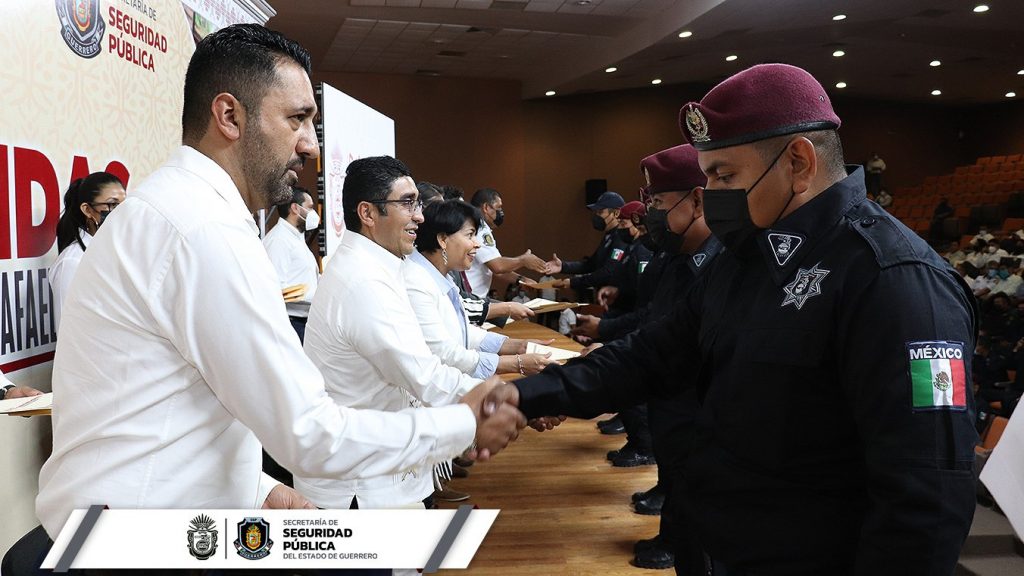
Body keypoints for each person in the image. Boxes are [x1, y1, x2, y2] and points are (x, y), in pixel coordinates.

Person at [34, 24, 523, 550]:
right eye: (297, 119)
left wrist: (257, 488)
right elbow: (310, 432)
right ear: (229, 116)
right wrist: (464, 423)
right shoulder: (203, 230)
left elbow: (171, 407)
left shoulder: (176, 210)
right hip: (134, 543)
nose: (310, 144)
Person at [504, 63, 978, 575]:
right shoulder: (746, 256)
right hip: (722, 544)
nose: (711, 195)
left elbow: (926, 497)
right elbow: (654, 352)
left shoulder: (896, 281)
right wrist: (522, 397)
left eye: (725, 175)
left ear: (798, 162)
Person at [296, 157, 523, 514]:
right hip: (362, 485)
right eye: (407, 203)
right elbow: (425, 376)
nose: (420, 216)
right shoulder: (364, 282)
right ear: (368, 213)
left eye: (417, 203)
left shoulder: (379, 267)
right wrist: (509, 400)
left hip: (380, 466)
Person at [404, 199, 555, 379]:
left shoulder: (443, 277)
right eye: (470, 235)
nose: (477, 244)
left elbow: (464, 332)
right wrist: (516, 363)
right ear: (443, 239)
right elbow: (443, 352)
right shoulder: (416, 281)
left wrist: (519, 346)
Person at [49, 171, 126, 330]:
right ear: (87, 210)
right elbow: (67, 330)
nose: (122, 211)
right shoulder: (72, 262)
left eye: (124, 204)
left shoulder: (115, 253)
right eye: (112, 204)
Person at [465, 187, 547, 297]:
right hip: (470, 297)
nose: (501, 212)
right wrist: (523, 260)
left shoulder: (474, 224)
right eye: (498, 207)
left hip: (473, 295)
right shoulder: (480, 228)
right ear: (486, 207)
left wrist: (521, 280)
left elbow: (495, 268)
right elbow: (497, 266)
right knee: (513, 307)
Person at [546, 191, 631, 297]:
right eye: (596, 212)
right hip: (605, 297)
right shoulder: (608, 236)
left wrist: (573, 282)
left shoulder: (621, 237)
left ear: (616, 213)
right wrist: (562, 266)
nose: (597, 216)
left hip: (618, 299)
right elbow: (591, 264)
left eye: (600, 212)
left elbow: (608, 272)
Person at [263, 186, 319, 341]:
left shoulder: (296, 237)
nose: (314, 213)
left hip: (303, 321)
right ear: (295, 208)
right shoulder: (279, 240)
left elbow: (305, 277)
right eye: (310, 208)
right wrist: (317, 297)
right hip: (292, 323)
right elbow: (276, 288)